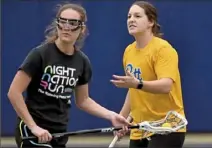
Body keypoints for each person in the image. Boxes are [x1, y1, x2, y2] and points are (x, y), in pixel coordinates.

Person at [8, 3, 129, 148]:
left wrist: (111, 115)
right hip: (32, 132)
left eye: (73, 23)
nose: (66, 27)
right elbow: (14, 92)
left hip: (59, 133)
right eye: (62, 21)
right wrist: (34, 127)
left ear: (82, 29)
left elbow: (83, 100)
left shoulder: (82, 62)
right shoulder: (40, 54)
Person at [110, 1, 186, 148]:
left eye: (137, 16)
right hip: (140, 128)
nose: (131, 19)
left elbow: (165, 86)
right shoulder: (129, 52)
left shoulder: (163, 49)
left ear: (151, 21)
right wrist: (122, 117)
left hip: (167, 126)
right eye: (129, 16)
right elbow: (133, 90)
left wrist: (137, 84)